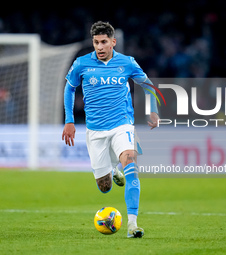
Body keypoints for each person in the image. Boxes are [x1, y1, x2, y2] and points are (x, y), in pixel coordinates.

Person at [62, 21, 159, 238]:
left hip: (122, 125)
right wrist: (69, 120)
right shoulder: (81, 64)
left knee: (131, 160)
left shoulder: (127, 63)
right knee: (104, 187)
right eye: (96, 42)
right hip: (95, 131)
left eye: (104, 42)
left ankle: (132, 225)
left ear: (113, 42)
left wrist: (152, 110)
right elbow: (69, 88)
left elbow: (148, 85)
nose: (100, 46)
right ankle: (113, 170)